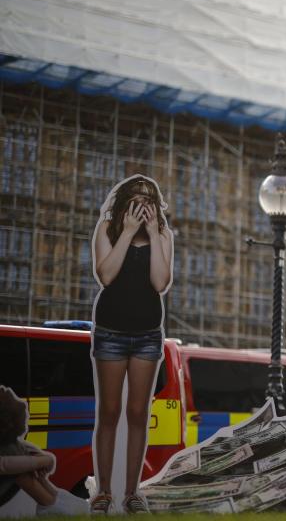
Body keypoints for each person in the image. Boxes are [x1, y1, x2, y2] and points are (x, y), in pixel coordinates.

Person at [89, 176, 173, 514]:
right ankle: (104, 492)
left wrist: (153, 234)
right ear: (125, 200)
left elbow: (160, 282)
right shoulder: (106, 228)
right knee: (108, 412)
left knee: (138, 413)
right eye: (136, 197)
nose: (143, 203)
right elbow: (106, 275)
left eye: (149, 198)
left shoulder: (163, 236)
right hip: (110, 331)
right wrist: (126, 232)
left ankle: (132, 493)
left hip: (148, 334)